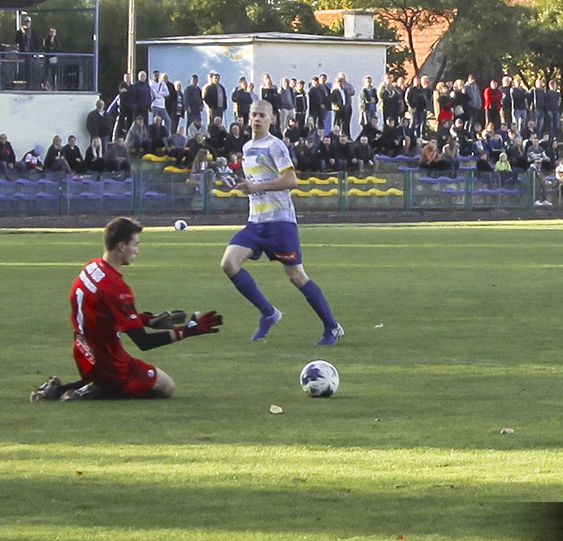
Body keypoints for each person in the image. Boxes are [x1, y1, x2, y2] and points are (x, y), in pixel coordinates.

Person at [30, 217, 224, 402]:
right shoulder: (117, 288)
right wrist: (188, 331)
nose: (136, 251)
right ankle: (96, 392)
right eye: (135, 244)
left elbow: (105, 315)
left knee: (115, 376)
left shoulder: (91, 267)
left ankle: (58, 390)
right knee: (167, 386)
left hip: (84, 354)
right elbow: (144, 342)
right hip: (110, 364)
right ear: (121, 246)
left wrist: (147, 320)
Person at [220, 100, 343, 345]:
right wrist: (243, 185)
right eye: (253, 114)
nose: (256, 119)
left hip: (280, 222)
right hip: (256, 222)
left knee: (296, 276)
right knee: (229, 263)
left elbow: (291, 180)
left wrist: (257, 187)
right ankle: (269, 313)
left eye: (261, 115)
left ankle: (332, 327)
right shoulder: (247, 147)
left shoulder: (275, 145)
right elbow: (256, 182)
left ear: (271, 119)